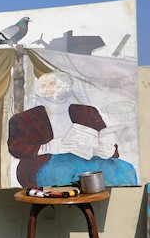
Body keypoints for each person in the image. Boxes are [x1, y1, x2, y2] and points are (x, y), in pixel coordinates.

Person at [7, 72, 136, 189]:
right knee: (65, 173)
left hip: (90, 159)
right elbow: (15, 147)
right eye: (43, 85)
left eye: (53, 83)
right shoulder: (23, 119)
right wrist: (46, 148)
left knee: (125, 170)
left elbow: (105, 138)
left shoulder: (88, 112)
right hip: (47, 163)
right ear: (37, 92)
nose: (49, 88)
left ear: (66, 87)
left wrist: (109, 150)